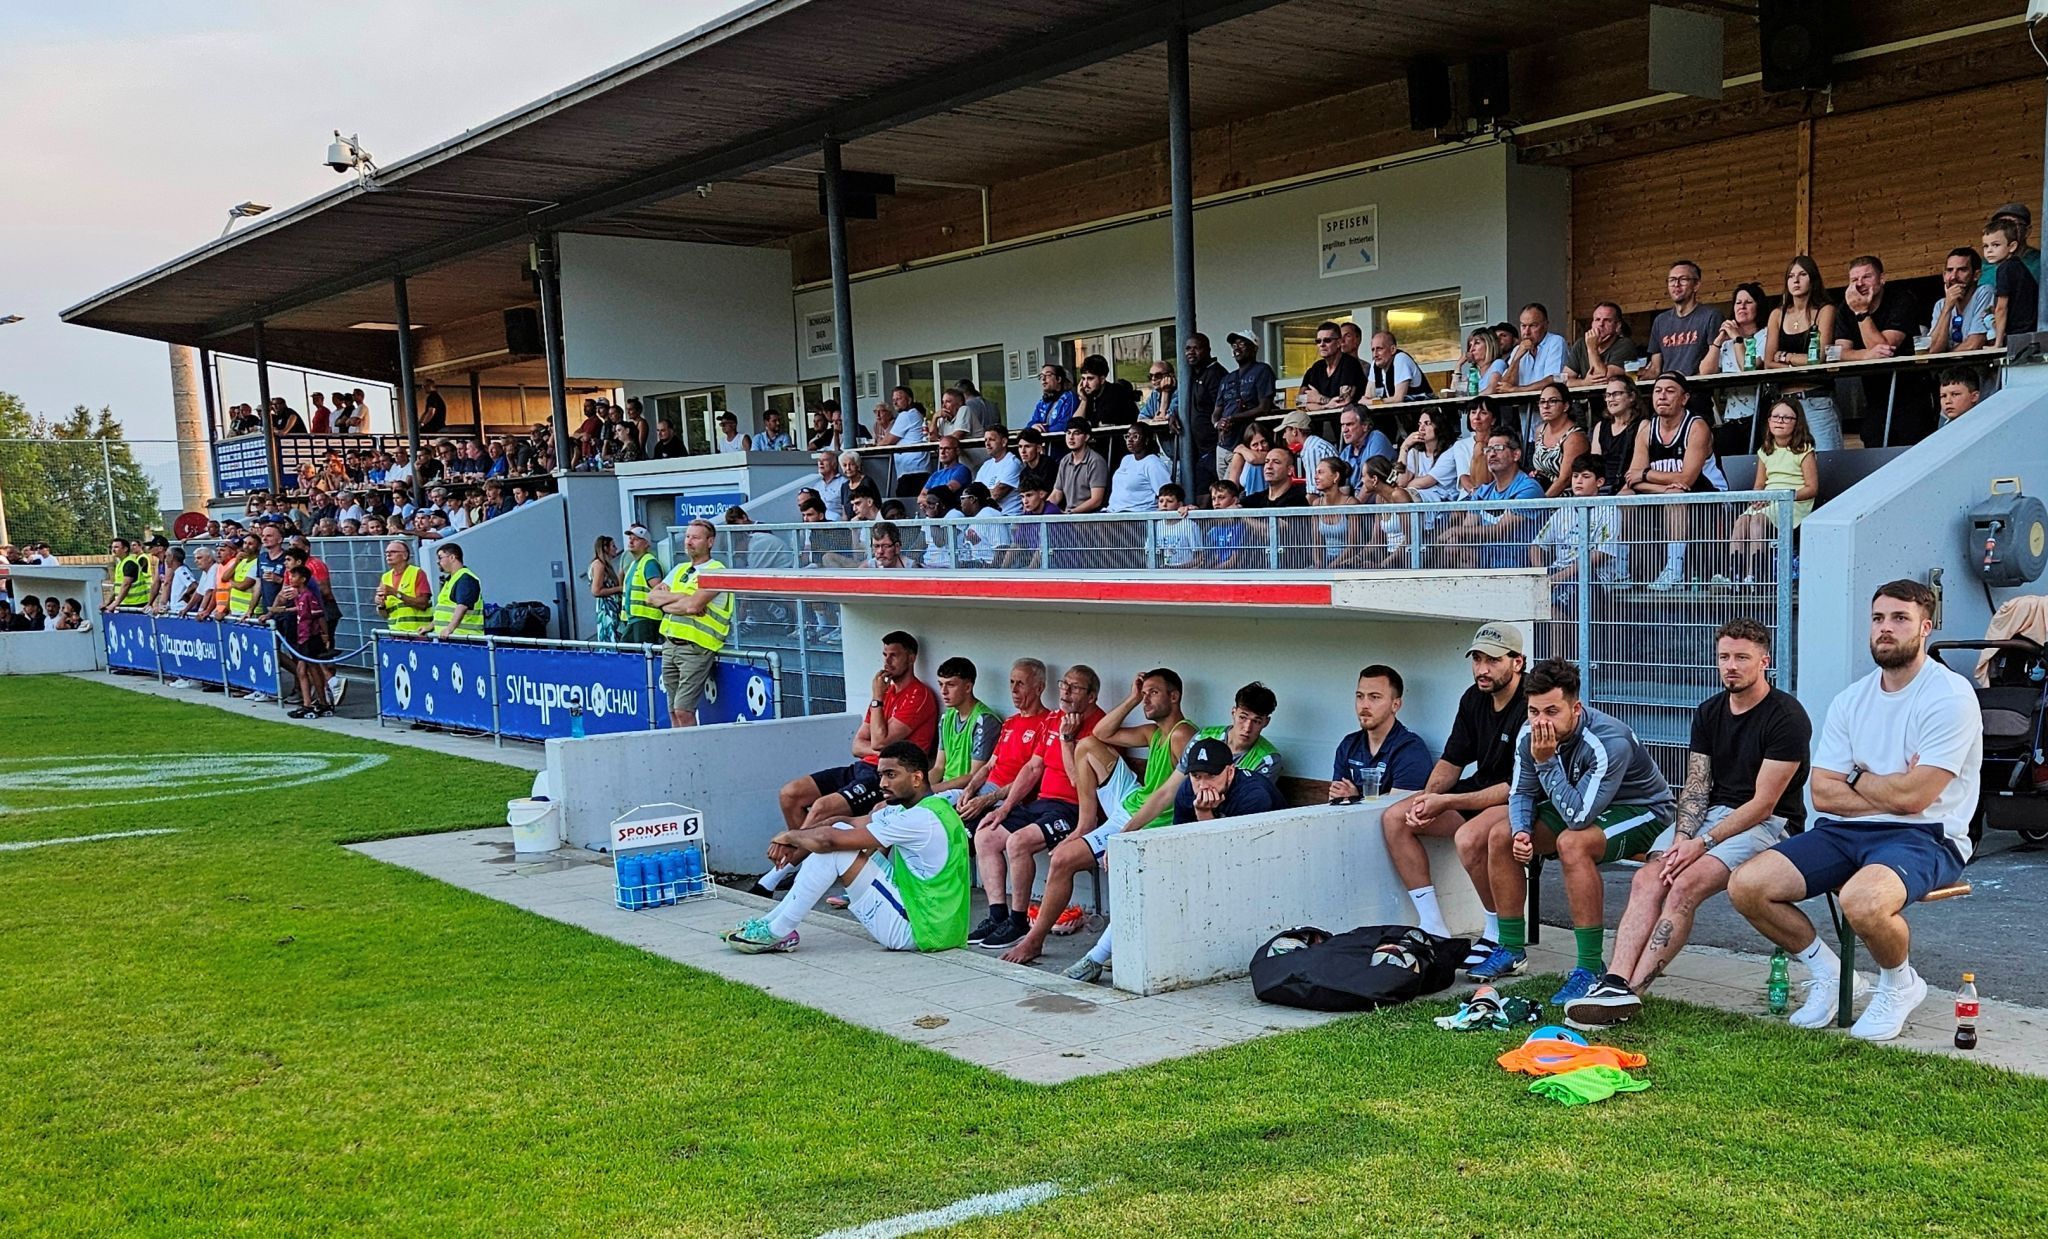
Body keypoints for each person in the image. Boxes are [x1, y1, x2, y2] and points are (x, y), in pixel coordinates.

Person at [1729, 580, 1981, 1041]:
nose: (1886, 629)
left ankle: (1900, 983)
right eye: (1878, 618)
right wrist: (1888, 785)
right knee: (1748, 885)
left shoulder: (1950, 695)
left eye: (1900, 619)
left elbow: (1915, 800)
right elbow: (1822, 793)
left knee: (1862, 900)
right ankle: (1827, 971)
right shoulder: (1853, 699)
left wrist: (1858, 777)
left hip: (1926, 834)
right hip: (1844, 831)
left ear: (1926, 627)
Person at [1565, 619, 1812, 1029]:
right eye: (1724, 657)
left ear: (1764, 661)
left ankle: (1631, 995)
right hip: (1711, 817)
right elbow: (1697, 788)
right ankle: (1613, 982)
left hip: (1770, 824)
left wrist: (1703, 843)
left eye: (1742, 658)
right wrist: (1682, 838)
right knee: (1650, 877)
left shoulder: (1786, 716)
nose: (1731, 666)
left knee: (1684, 884)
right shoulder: (1708, 711)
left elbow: (1763, 803)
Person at [1471, 658, 1676, 1004]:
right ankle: (1510, 948)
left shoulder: (1608, 740)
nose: (1540, 722)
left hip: (1643, 809)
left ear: (1575, 708)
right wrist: (1522, 833)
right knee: (1501, 835)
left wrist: (1547, 761)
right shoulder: (1529, 732)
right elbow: (1521, 792)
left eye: (1552, 711)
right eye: (1534, 711)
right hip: (1581, 799)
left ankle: (1589, 967)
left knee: (1573, 843)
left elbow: (1578, 817)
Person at [1054, 686, 1283, 982]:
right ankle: (1101, 955)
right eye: (1243, 717)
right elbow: (1174, 818)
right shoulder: (1195, 772)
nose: (1202, 783)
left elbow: (1231, 850)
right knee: (1150, 874)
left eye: (1257, 720)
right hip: (1209, 851)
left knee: (1163, 882)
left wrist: (1203, 815)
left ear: (1230, 771)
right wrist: (1124, 838)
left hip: (1254, 865)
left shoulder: (1259, 776)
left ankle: (1110, 953)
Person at [999, 668, 1197, 966]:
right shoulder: (1154, 732)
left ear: (1174, 696)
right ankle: (1086, 823)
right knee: (1088, 745)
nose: (1146, 700)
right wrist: (1131, 698)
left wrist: (1125, 833)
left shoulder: (1182, 734)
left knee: (1062, 859)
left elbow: (1168, 795)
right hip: (1130, 801)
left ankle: (1033, 940)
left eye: (1153, 693)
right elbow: (1101, 734)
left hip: (1147, 821)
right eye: (1144, 694)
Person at [723, 742, 971, 955]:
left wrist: (790, 835)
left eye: (891, 775)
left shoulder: (919, 819)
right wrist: (796, 838)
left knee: (836, 849)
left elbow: (830, 841)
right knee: (839, 829)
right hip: (935, 922)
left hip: (922, 932)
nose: (882, 783)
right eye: (881, 775)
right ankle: (771, 924)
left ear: (917, 777)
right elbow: (843, 823)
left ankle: (778, 931)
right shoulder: (919, 808)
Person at [1380, 624, 1526, 963]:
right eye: (1477, 659)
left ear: (1517, 662)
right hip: (1481, 788)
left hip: (1522, 797)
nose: (1482, 669)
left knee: (1469, 838)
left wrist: (1445, 802)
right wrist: (1426, 800)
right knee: (1396, 818)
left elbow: (1515, 786)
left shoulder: (1530, 702)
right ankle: (1434, 927)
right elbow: (1452, 760)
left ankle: (1498, 933)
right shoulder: (1473, 696)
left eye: (1493, 660)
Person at [762, 631, 940, 896]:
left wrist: (877, 699)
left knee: (823, 807)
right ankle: (806, 861)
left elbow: (880, 740)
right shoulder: (886, 693)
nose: (887, 662)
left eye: (894, 655)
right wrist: (877, 733)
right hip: (862, 767)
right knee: (791, 793)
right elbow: (857, 745)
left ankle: (779, 873)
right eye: (884, 655)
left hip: (886, 776)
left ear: (911, 657)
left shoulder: (917, 696)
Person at [969, 664, 1103, 951]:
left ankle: (1018, 921)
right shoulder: (1054, 719)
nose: (1065, 692)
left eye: (1075, 687)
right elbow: (1033, 767)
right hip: (1043, 802)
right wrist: (1004, 808)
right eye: (1063, 684)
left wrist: (1068, 740)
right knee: (986, 835)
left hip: (1073, 808)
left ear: (1092, 696)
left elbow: (1079, 783)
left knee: (1018, 842)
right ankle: (997, 916)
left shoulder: (1098, 726)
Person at [1625, 372, 1728, 591]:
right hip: (1666, 493)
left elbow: (1686, 479)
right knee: (1624, 497)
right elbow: (1631, 478)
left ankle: (1674, 569)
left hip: (1711, 494)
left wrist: (1645, 475)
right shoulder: (1646, 430)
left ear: (1684, 398)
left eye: (1670, 391)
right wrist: (1655, 484)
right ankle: (1620, 569)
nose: (1662, 396)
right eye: (1657, 391)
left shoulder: (1697, 427)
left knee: (1676, 494)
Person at [645, 519, 732, 727]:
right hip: (670, 644)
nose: (689, 542)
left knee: (683, 710)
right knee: (673, 711)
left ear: (710, 542)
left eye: (695, 537)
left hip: (696, 647)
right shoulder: (680, 569)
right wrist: (682, 596)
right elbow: (651, 598)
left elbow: (693, 606)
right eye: (687, 537)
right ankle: (680, 754)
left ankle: (693, 755)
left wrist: (670, 602)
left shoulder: (716, 570)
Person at [1729, 397, 1818, 583]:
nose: (1780, 421)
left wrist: (1783, 498)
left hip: (1793, 502)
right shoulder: (1765, 450)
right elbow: (1759, 484)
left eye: (1786, 418)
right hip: (1768, 499)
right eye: (1775, 417)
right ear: (1768, 421)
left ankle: (1756, 575)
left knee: (1758, 521)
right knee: (1742, 521)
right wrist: (1757, 498)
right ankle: (1736, 574)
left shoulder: (1804, 450)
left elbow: (1811, 488)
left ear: (1797, 423)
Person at [1761, 254, 1844, 451]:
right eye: (1791, 276)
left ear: (1813, 279)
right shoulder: (1777, 314)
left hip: (1816, 398)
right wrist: (1801, 361)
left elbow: (1818, 358)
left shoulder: (1825, 310)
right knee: (1787, 465)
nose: (1796, 280)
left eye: (1802, 274)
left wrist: (1786, 357)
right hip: (1784, 402)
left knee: (1827, 460)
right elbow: (1768, 362)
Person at [1329, 664, 1434, 803]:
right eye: (1360, 696)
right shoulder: (1349, 744)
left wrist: (1356, 797)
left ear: (1395, 705)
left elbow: (1396, 812)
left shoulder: (1410, 749)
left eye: (1374, 697)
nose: (1364, 705)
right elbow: (1336, 801)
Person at [1439, 430, 1543, 569]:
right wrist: (1455, 539)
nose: (1492, 454)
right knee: (1454, 546)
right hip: (1482, 563)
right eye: (1488, 449)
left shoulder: (1529, 489)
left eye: (1499, 449)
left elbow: (1499, 531)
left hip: (1517, 566)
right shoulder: (1482, 492)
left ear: (1516, 455)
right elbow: (1467, 530)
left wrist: (1454, 532)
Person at [1529, 457, 1623, 591]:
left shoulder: (1610, 511)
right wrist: (1539, 575)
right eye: (1575, 476)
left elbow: (1602, 553)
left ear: (1599, 482)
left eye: (1585, 476)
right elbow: (1536, 545)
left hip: (1594, 577)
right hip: (1558, 571)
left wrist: (1560, 577)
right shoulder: (1563, 510)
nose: (1578, 481)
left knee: (1557, 601)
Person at [1698, 281, 1771, 455]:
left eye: (1748, 302)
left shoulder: (1765, 334)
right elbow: (1705, 372)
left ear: (1758, 307)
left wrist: (1738, 339)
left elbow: (1749, 367)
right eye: (1738, 302)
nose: (1742, 306)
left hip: (1758, 417)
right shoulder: (1728, 341)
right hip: (1730, 418)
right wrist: (1717, 341)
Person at [933, 657, 1002, 797]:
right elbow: (938, 767)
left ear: (968, 687)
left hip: (966, 792)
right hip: (943, 788)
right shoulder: (947, 717)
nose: (943, 691)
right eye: (940, 684)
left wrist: (931, 791)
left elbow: (974, 775)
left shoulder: (985, 720)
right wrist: (916, 789)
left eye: (950, 685)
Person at [1213, 328, 1276, 482]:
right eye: (1234, 345)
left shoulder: (1262, 370)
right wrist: (1217, 424)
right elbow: (1216, 412)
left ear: (1254, 348)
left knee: (1232, 488)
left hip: (1246, 443)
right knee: (1223, 489)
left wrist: (1233, 418)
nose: (1237, 348)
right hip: (1223, 444)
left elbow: (1264, 407)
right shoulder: (1227, 378)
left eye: (1242, 344)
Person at [1644, 260, 1725, 378]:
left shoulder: (1711, 316)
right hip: (1667, 389)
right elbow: (1655, 369)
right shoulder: (1660, 321)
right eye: (1672, 280)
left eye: (1683, 279)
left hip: (1699, 388)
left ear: (1696, 285)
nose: (1676, 284)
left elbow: (1716, 363)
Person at [277, 565, 335, 719]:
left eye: (294, 576)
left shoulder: (308, 595)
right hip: (303, 637)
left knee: (307, 669)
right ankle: (316, 703)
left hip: (310, 638)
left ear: (303, 579)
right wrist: (283, 610)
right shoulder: (300, 597)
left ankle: (312, 704)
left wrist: (325, 635)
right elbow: (301, 610)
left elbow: (319, 616)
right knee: (305, 669)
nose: (291, 579)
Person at [1926, 246, 1995, 355]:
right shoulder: (1941, 305)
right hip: (1947, 369)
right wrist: (1947, 308)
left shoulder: (1985, 292)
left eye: (1962, 270)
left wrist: (1944, 358)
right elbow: (1933, 349)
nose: (1953, 276)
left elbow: (1975, 344)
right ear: (1944, 276)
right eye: (1949, 270)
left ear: (1976, 275)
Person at [1983, 219, 2040, 344]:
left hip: (2019, 334)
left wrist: (1998, 344)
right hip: (2031, 330)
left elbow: (2001, 308)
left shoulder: (2005, 269)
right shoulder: (2017, 265)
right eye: (1986, 246)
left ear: (2012, 246)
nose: (1989, 250)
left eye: (1996, 245)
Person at [1527, 381, 1586, 497]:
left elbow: (1565, 480)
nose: (1545, 406)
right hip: (1540, 491)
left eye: (1552, 401)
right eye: (1542, 402)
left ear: (1566, 406)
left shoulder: (1574, 437)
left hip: (1564, 498)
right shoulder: (1539, 430)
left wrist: (1540, 505)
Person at [1563, 302, 1642, 381]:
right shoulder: (1580, 344)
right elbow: (1565, 380)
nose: (1601, 324)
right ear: (1592, 324)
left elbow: (1601, 378)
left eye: (1607, 320)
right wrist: (1584, 383)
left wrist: (1592, 348)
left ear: (1617, 326)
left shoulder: (1625, 344)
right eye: (1597, 319)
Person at [1298, 321, 1367, 410]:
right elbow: (1300, 403)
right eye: (1318, 341)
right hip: (1322, 421)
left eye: (1327, 340)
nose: (1322, 345)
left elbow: (1343, 402)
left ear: (1339, 343)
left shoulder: (1349, 364)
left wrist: (1319, 399)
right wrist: (1326, 406)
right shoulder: (1316, 368)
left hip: (1352, 419)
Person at [1503, 303, 1569, 391]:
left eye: (1533, 326)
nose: (1526, 332)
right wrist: (1516, 359)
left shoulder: (1556, 342)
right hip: (1521, 403)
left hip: (1548, 401)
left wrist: (1518, 390)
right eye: (1523, 326)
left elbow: (1553, 380)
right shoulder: (1517, 350)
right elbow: (1504, 386)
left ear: (1545, 325)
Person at [617, 525, 665, 645]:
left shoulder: (649, 563)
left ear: (646, 544)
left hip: (645, 621)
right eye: (630, 538)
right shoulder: (635, 563)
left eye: (636, 539)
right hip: (634, 620)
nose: (631, 541)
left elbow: (660, 592)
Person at [1049, 419, 1109, 515]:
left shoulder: (1096, 461)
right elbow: (1056, 495)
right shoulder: (1065, 460)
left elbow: (1096, 500)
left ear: (1086, 437)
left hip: (1089, 518)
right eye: (1068, 433)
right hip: (1069, 516)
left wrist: (1072, 512)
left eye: (1076, 433)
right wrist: (1042, 508)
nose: (1071, 437)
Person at [1107, 424, 1172, 513]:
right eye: (1128, 436)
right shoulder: (1126, 459)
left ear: (1146, 440)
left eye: (1135, 436)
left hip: (1137, 515)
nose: (1129, 440)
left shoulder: (1153, 463)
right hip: (1112, 512)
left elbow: (1167, 493)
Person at [873, 386, 934, 476]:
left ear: (909, 400)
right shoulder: (915, 414)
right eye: (894, 399)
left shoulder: (906, 415)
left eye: (899, 399)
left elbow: (887, 441)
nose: (895, 402)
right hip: (917, 468)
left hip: (912, 470)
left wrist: (873, 446)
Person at [430, 543, 483, 639]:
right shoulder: (451, 579)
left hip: (464, 639)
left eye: (440, 557)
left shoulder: (465, 578)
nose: (437, 562)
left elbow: (462, 606)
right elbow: (446, 609)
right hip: (452, 637)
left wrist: (449, 629)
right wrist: (430, 627)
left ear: (452, 557)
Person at [1365, 331, 1432, 402]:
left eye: (1379, 349)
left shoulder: (1400, 358)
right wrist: (1369, 401)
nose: (1375, 354)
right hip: (1398, 411)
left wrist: (1371, 402)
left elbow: (1398, 398)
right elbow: (1367, 397)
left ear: (1393, 349)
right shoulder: (1375, 364)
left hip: (1424, 409)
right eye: (1373, 350)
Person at [974, 425, 1022, 515]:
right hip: (989, 516)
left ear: (1004, 442)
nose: (987, 444)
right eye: (985, 440)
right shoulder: (986, 465)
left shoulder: (1012, 463)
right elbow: (974, 492)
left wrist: (978, 498)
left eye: (991, 440)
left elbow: (996, 495)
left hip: (1008, 517)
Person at [587, 534, 624, 643]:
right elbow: (596, 590)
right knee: (610, 638)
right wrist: (619, 589)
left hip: (610, 608)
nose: (616, 549)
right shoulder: (599, 565)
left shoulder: (605, 565)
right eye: (613, 546)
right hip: (607, 609)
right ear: (605, 548)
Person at [1027, 364, 1078, 438]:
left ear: (1059, 379)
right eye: (1041, 376)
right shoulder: (1042, 402)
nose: (1043, 379)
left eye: (1048, 375)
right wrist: (1033, 426)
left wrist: (1042, 430)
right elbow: (1032, 422)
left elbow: (1066, 424)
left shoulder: (1069, 397)